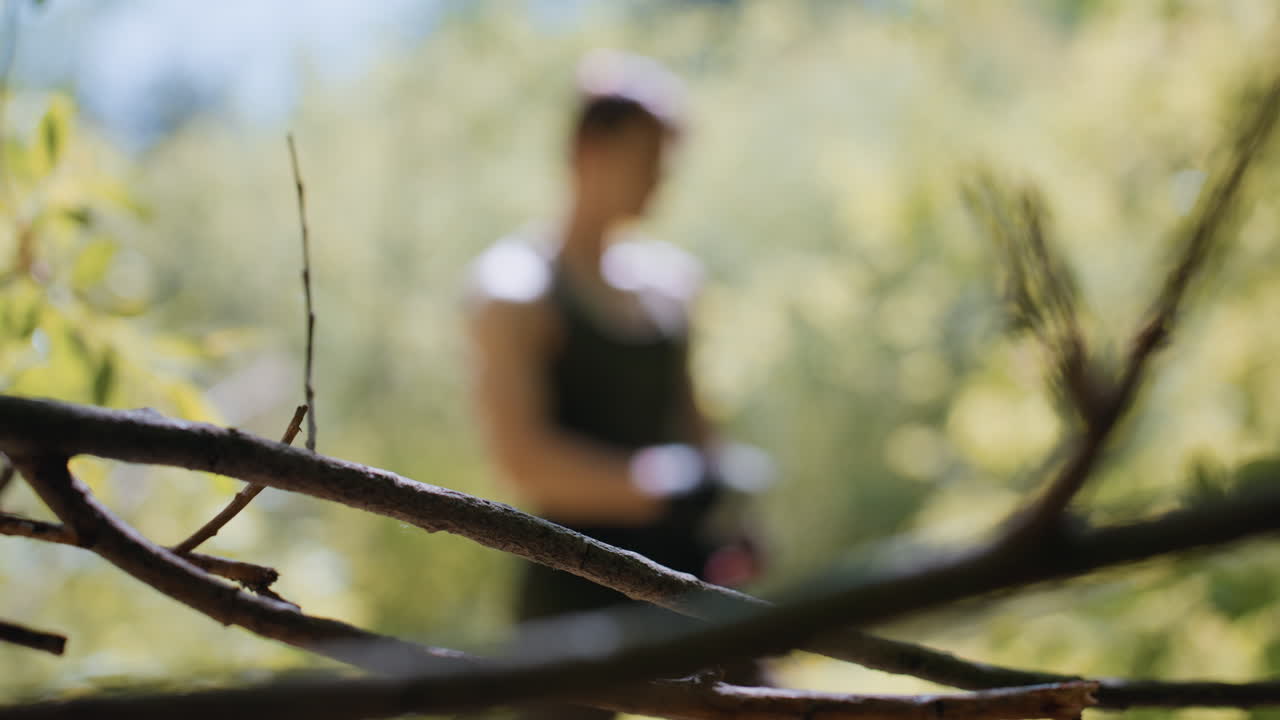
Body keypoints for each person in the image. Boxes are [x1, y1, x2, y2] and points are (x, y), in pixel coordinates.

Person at [465, 50, 770, 719]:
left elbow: (694, 424)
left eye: (667, 160)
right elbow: (521, 461)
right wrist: (662, 486)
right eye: (646, 157)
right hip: (570, 587)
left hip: (686, 576)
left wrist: (734, 516)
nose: (661, 178)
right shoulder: (513, 288)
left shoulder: (672, 285)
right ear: (586, 149)